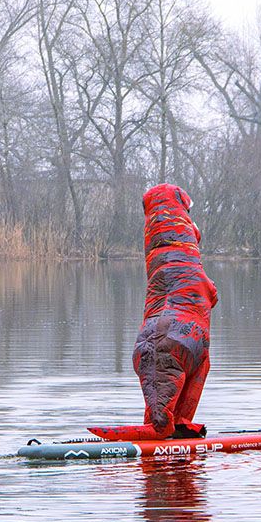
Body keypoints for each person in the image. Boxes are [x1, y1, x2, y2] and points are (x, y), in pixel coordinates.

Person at [91, 183, 218, 441]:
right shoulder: (189, 263)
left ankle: (172, 430)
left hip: (155, 339)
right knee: (165, 411)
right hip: (181, 337)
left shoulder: (161, 254)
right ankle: (167, 428)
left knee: (164, 408)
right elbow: (210, 293)